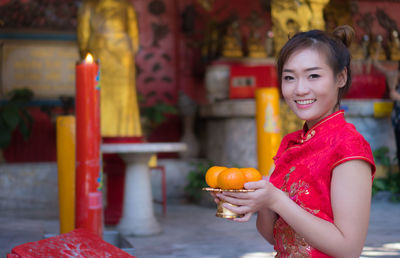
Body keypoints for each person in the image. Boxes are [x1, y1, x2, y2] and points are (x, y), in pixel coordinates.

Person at [213, 25, 376, 257]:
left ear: (341, 77)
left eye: (314, 76)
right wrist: (261, 199)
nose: (300, 89)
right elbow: (272, 236)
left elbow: (349, 249)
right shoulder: (291, 143)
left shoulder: (349, 147)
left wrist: (276, 199)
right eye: (289, 77)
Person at [77, 0, 142, 137]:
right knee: (123, 97)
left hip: (100, 51)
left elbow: (83, 37)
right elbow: (134, 39)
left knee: (97, 95)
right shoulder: (126, 5)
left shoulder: (90, 5)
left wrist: (85, 54)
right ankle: (126, 134)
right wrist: (128, 53)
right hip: (123, 55)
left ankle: (96, 135)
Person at [373, 59, 400, 171]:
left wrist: (396, 96)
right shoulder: (396, 78)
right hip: (397, 123)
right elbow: (385, 70)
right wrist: (376, 63)